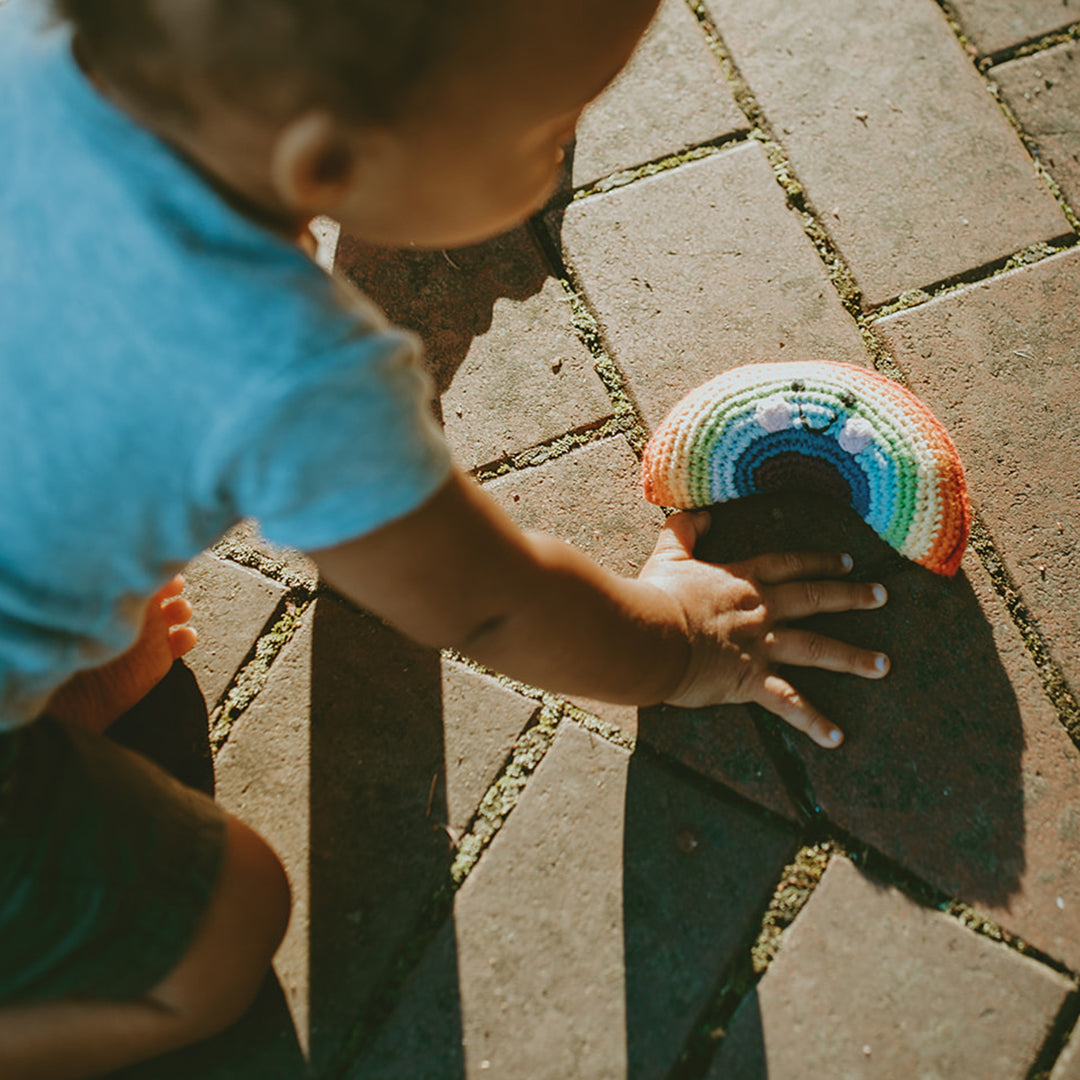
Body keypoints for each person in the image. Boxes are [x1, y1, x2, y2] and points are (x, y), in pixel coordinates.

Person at [0, 0, 891, 1074]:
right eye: (547, 131)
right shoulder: (287, 375)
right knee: (231, 922)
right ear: (326, 156)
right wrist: (686, 643)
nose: (560, 161)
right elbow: (493, 600)